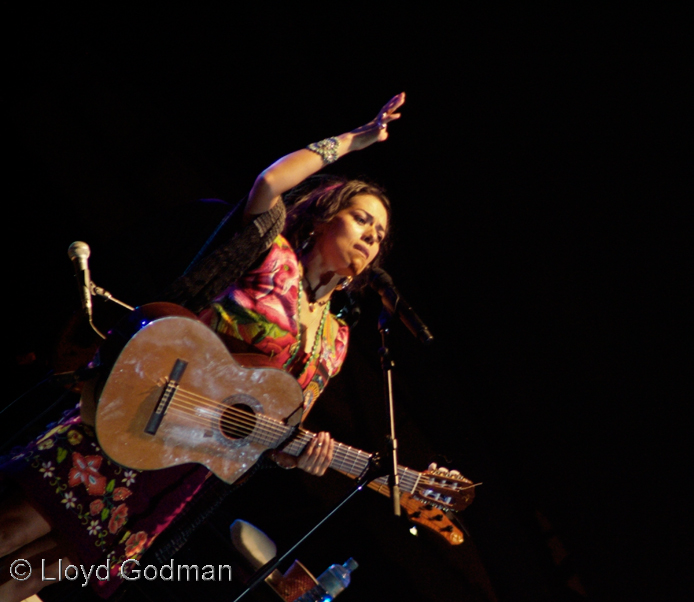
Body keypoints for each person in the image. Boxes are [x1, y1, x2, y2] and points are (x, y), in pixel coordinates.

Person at [0, 92, 405, 601]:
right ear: (325, 217)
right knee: (16, 526)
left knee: (40, 570)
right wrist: (353, 141)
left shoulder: (336, 342)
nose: (371, 236)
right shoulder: (270, 251)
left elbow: (272, 426)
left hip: (180, 467)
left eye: (380, 233)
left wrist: (302, 454)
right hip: (140, 407)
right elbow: (271, 182)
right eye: (362, 218)